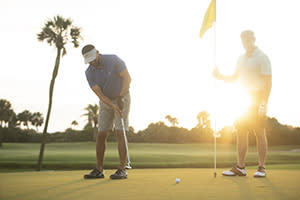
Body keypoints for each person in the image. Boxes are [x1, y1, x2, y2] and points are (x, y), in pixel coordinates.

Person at [213, 30, 272, 177]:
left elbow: (268, 83)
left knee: (259, 132)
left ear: (254, 39)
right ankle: (240, 167)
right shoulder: (241, 59)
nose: (246, 43)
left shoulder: (262, 57)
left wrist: (264, 102)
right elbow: (235, 78)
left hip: (258, 97)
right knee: (241, 132)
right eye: (243, 40)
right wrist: (220, 76)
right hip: (243, 98)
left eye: (248, 40)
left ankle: (261, 168)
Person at [82, 44, 131, 179]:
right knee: (101, 133)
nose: (92, 62)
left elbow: (127, 78)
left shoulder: (114, 60)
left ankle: (122, 169)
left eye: (93, 59)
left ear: (97, 52)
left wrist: (120, 98)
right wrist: (112, 105)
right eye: (89, 61)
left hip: (123, 96)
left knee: (120, 132)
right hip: (106, 101)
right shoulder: (89, 72)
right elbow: (100, 95)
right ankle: (99, 170)